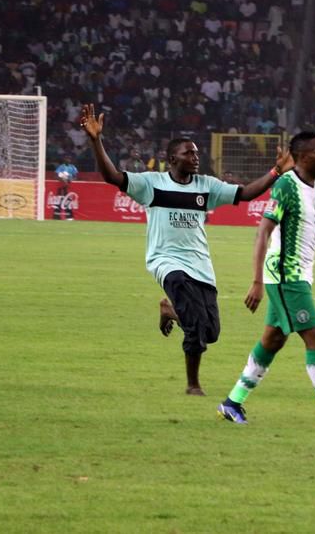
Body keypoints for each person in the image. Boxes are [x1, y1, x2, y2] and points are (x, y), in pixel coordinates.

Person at [79, 104, 293, 396]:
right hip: (166, 262)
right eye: (188, 153)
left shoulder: (206, 186)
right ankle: (193, 385)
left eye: (196, 153)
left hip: (201, 265)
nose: (195, 157)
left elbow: (245, 194)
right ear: (171, 159)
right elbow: (112, 176)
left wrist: (276, 171)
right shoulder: (152, 184)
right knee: (193, 323)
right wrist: (96, 140)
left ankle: (170, 309)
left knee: (210, 332)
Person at [216, 131, 315, 432]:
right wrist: (256, 281)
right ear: (301, 157)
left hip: (301, 276)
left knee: (273, 340)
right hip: (286, 276)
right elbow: (263, 231)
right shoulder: (286, 185)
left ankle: (232, 403)